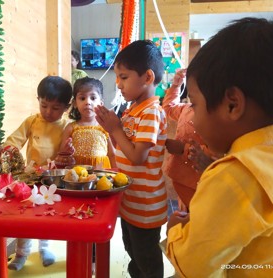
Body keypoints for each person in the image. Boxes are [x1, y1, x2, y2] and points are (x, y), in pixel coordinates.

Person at [165, 17, 273, 277]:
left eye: (196, 104)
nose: (194, 115)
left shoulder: (234, 175)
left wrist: (174, 233)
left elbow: (192, 266)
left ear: (232, 104)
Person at [95, 40, 168, 278]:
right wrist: (110, 129)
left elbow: (138, 156)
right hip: (131, 199)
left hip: (145, 205)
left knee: (147, 258)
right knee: (132, 250)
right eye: (117, 77)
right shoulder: (132, 109)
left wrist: (115, 129)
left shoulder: (151, 112)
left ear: (147, 77)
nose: (118, 84)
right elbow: (123, 148)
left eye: (123, 77)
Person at [5, 76, 73, 271]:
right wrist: (7, 151)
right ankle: (21, 254)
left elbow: (68, 153)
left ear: (66, 107)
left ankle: (45, 249)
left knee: (47, 216)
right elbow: (13, 140)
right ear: (38, 100)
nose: (48, 112)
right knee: (24, 217)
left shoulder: (67, 126)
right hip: (29, 178)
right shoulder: (32, 121)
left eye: (55, 108)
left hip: (53, 179)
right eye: (44, 106)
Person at [162, 68, 218, 211]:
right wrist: (176, 85)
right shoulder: (186, 109)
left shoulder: (216, 118)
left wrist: (183, 149)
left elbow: (217, 155)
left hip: (200, 185)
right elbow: (168, 107)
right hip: (181, 183)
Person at [59, 76, 116, 169]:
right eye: (82, 98)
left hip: (101, 171)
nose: (88, 102)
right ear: (75, 103)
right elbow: (62, 153)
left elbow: (112, 154)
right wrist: (66, 150)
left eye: (93, 98)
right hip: (77, 172)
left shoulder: (106, 127)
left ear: (101, 103)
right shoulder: (70, 127)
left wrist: (116, 173)